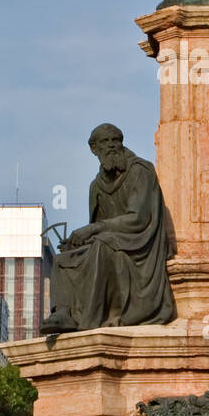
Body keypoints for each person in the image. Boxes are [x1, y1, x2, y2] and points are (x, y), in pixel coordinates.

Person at [40, 124, 176, 335]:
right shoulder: (96, 186)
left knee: (101, 246)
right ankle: (64, 312)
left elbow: (139, 219)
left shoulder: (140, 171)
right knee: (63, 259)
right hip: (113, 241)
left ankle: (90, 319)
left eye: (116, 140)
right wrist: (78, 241)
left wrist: (94, 230)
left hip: (139, 244)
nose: (112, 145)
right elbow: (97, 228)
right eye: (106, 141)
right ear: (94, 149)